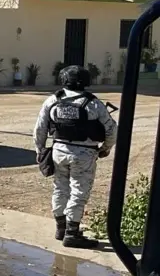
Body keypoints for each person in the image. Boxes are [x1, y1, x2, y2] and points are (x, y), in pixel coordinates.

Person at [34, 65, 117, 249]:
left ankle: (61, 228)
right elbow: (111, 130)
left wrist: (40, 150)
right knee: (79, 192)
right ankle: (72, 234)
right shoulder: (93, 103)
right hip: (84, 153)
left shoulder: (53, 100)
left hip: (59, 151)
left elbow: (40, 128)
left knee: (60, 188)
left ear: (64, 79)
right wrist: (105, 149)